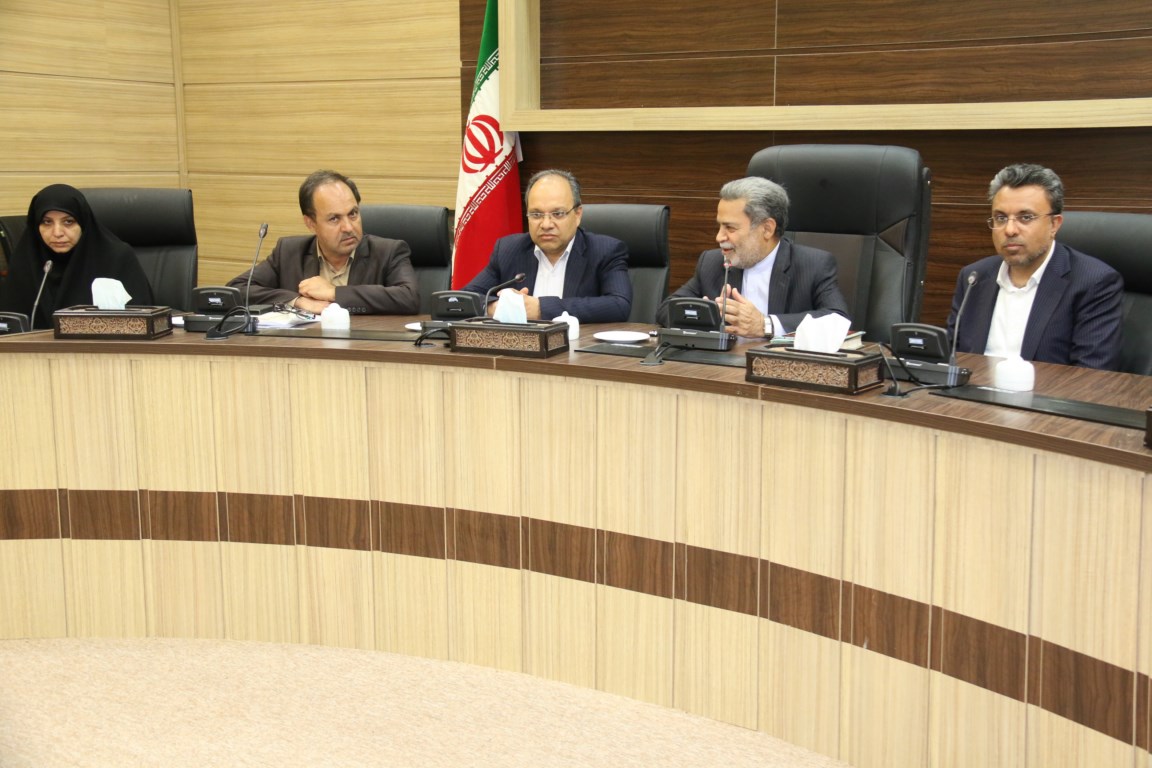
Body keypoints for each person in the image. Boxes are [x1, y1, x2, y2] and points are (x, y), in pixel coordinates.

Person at [947, 163, 1123, 370]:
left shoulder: (1094, 283)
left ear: (1054, 224)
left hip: (1045, 392)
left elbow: (1090, 375)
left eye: (1026, 217)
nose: (1010, 230)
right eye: (1001, 218)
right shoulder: (973, 277)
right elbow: (950, 358)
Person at [658, 176, 849, 338]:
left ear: (767, 229)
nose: (719, 237)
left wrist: (766, 325)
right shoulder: (711, 262)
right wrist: (706, 315)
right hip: (721, 364)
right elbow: (666, 309)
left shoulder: (813, 265)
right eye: (720, 226)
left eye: (730, 228)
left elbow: (838, 319)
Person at [227, 170, 419, 315]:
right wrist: (297, 301)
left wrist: (334, 293)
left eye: (353, 214)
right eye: (334, 219)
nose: (348, 227)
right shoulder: (289, 252)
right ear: (311, 223)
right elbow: (236, 290)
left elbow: (409, 298)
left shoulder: (388, 252)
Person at [462, 169, 632, 324]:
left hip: (576, 346)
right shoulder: (509, 250)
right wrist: (496, 307)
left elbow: (619, 305)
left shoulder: (605, 251)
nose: (546, 224)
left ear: (577, 215)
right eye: (536, 214)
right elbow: (463, 299)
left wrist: (541, 308)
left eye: (557, 214)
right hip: (520, 345)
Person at [0, 184, 153, 329]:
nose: (57, 233)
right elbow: (8, 326)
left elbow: (142, 322)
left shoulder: (115, 258)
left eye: (68, 222)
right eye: (47, 222)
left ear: (83, 223)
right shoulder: (25, 261)